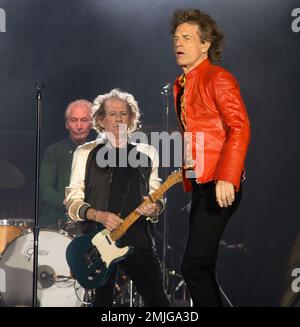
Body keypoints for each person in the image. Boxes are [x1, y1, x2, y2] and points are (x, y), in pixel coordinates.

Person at [170, 9, 251, 306]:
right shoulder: (183, 83)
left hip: (220, 180)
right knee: (201, 267)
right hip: (203, 183)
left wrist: (228, 176)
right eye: (176, 38)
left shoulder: (217, 78)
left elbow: (239, 127)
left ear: (205, 44)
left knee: (193, 266)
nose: (178, 43)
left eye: (187, 38)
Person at [65, 88, 170, 307]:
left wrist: (155, 208)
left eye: (123, 113)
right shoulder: (86, 152)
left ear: (131, 118)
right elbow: (72, 202)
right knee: (102, 305)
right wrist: (98, 215)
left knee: (160, 304)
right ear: (101, 120)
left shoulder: (147, 153)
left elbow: (156, 196)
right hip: (98, 240)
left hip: (138, 239)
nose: (118, 118)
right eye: (112, 114)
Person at [39, 99, 93, 228]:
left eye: (84, 120)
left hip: (90, 219)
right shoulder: (54, 151)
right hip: (57, 219)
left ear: (91, 124)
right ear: (67, 124)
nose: (79, 126)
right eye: (74, 120)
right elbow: (43, 188)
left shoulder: (99, 151)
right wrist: (67, 202)